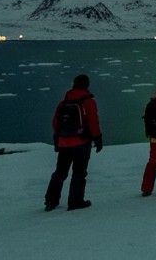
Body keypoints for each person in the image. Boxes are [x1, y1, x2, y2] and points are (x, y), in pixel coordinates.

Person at [44, 73, 103, 211]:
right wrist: (98, 138)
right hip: (82, 142)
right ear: (87, 85)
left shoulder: (64, 102)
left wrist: (58, 140)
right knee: (79, 172)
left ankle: (51, 201)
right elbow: (93, 121)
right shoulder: (88, 101)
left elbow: (55, 123)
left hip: (64, 142)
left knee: (60, 172)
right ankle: (75, 201)